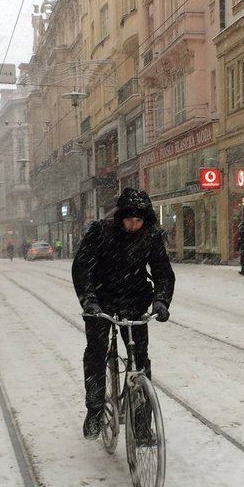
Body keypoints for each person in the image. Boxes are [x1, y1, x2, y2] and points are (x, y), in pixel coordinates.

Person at [72, 188, 175, 440]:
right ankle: (95, 410)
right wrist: (90, 303)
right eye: (129, 220)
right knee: (96, 351)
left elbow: (163, 272)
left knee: (140, 360)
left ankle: (141, 424)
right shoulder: (100, 232)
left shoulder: (150, 236)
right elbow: (82, 269)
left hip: (135, 299)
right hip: (101, 300)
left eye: (139, 220)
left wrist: (161, 301)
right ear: (120, 217)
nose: (133, 225)